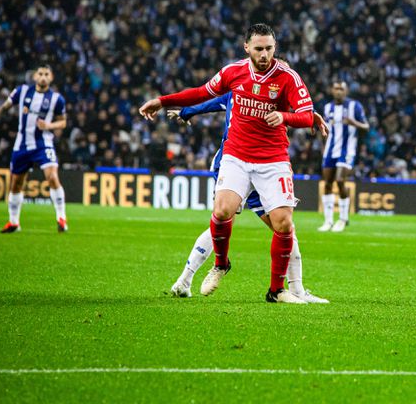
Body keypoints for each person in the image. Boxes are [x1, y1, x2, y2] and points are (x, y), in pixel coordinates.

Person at [139, 23, 315, 304]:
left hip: (272, 160)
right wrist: (162, 101)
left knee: (284, 225)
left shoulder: (287, 78)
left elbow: (307, 115)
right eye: (259, 48)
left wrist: (285, 117)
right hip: (236, 156)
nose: (265, 54)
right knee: (222, 211)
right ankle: (220, 264)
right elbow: (201, 94)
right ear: (247, 47)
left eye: (269, 48)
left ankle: (278, 291)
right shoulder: (233, 73)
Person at [165, 93, 329, 303]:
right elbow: (210, 101)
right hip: (234, 163)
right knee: (223, 220)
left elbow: (295, 110)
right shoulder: (240, 90)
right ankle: (186, 280)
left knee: (284, 227)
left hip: (264, 169)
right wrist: (186, 111)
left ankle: (296, 289)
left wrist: (310, 115)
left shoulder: (276, 94)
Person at [0, 65, 70, 232]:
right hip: (21, 144)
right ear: (35, 76)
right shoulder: (21, 91)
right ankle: (14, 222)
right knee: (16, 184)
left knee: (52, 177)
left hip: (43, 143)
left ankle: (61, 218)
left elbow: (63, 122)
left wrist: (49, 125)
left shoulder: (57, 99)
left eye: (46, 74)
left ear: (51, 78)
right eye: (40, 74)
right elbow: (3, 107)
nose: (43, 77)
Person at [318, 80, 369, 232]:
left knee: (340, 180)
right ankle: (328, 221)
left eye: (341, 89)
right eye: (336, 89)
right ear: (332, 91)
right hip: (330, 150)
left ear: (346, 91)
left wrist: (354, 123)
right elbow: (324, 129)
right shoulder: (328, 108)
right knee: (327, 183)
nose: (339, 91)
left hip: (347, 150)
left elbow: (366, 127)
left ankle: (343, 218)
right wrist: (323, 146)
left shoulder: (355, 106)